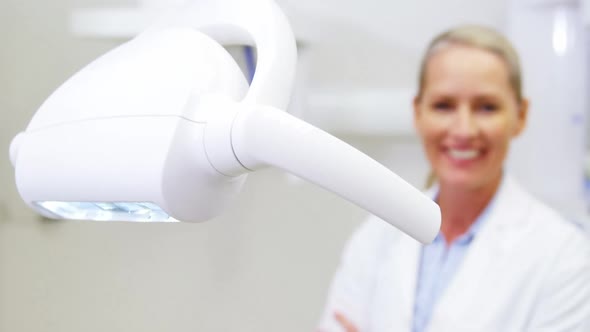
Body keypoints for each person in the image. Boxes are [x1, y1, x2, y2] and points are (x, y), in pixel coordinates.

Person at [317, 25, 590, 332]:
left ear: (520, 115)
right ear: (418, 112)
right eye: (443, 106)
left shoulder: (564, 256)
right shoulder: (376, 236)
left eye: (487, 107)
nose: (463, 130)